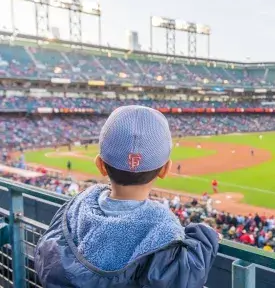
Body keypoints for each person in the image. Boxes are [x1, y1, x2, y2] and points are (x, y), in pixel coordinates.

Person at [35, 105, 220, 288]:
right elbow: (184, 277)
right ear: (165, 169)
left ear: (100, 165)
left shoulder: (76, 206)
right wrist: (205, 236)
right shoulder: (163, 225)